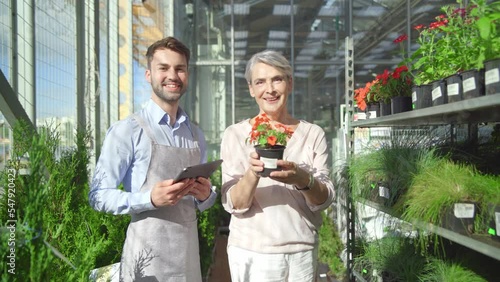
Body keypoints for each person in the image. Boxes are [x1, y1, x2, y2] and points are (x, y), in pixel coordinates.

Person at [89, 36, 216, 282]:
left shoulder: (196, 135)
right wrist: (149, 198)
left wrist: (205, 196)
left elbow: (202, 203)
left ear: (187, 75)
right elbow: (97, 195)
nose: (173, 75)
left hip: (188, 260)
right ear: (149, 75)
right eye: (163, 68)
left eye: (180, 69)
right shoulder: (129, 130)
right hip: (144, 264)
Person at [220, 50, 335, 282]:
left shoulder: (312, 134)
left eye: (277, 79)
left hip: (301, 251)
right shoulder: (235, 135)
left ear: (289, 83)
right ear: (251, 89)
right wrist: (253, 172)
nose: (269, 89)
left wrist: (302, 178)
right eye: (260, 82)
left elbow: (324, 200)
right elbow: (234, 204)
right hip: (252, 250)